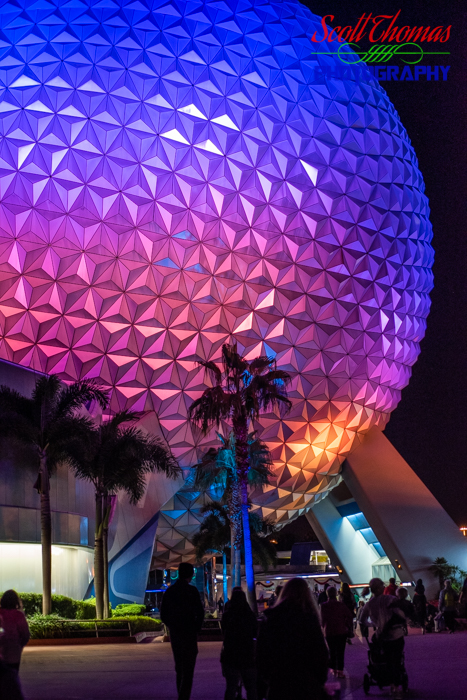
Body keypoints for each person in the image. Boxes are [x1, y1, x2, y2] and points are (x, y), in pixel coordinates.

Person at [257, 577, 329, 700]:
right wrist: (319, 680)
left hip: (278, 682)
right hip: (306, 683)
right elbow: (320, 653)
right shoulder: (308, 618)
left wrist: (267, 679)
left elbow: (261, 653)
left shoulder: (271, 618)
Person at [160, 562, 204, 700]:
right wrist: (196, 628)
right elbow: (200, 612)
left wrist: (172, 626)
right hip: (189, 634)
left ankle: (181, 694)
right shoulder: (192, 591)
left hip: (176, 634)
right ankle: (184, 696)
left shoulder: (170, 591)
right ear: (191, 574)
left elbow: (163, 614)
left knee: (179, 667)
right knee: (188, 668)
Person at [360, 578, 406, 700]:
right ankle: (395, 686)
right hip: (396, 634)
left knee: (387, 660)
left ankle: (390, 682)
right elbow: (401, 614)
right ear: (381, 588)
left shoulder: (369, 604)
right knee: (396, 659)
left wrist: (374, 625)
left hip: (381, 636)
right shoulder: (390, 599)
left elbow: (362, 620)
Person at [220, 587, 257, 700]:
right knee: (251, 688)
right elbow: (255, 632)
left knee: (231, 686)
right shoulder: (249, 615)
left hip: (230, 653)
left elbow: (224, 631)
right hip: (247, 654)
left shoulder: (227, 615)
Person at [0, 590, 30, 700]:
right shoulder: (18, 616)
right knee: (12, 677)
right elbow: (25, 634)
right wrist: (19, 645)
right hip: (14, 654)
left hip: (1, 653)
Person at [321, 587, 353, 678]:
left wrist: (324, 627)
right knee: (340, 651)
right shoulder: (341, 605)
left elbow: (322, 620)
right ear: (336, 594)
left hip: (329, 631)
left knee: (332, 651)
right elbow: (349, 615)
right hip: (341, 631)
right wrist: (347, 624)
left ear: (327, 594)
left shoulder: (323, 606)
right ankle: (340, 671)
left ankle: (334, 670)